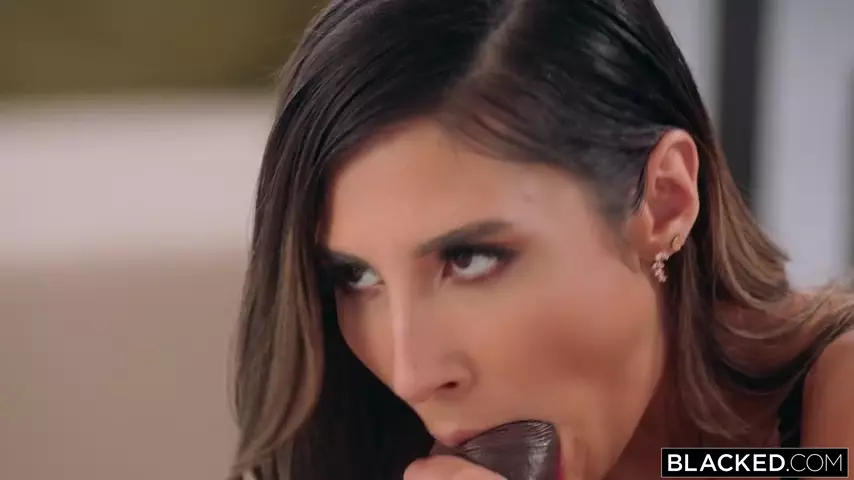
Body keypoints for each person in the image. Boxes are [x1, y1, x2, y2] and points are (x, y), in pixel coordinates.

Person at [228, 0, 854, 478]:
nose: (411, 374)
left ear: (665, 201)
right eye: (356, 276)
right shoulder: (368, 437)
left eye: (470, 260)